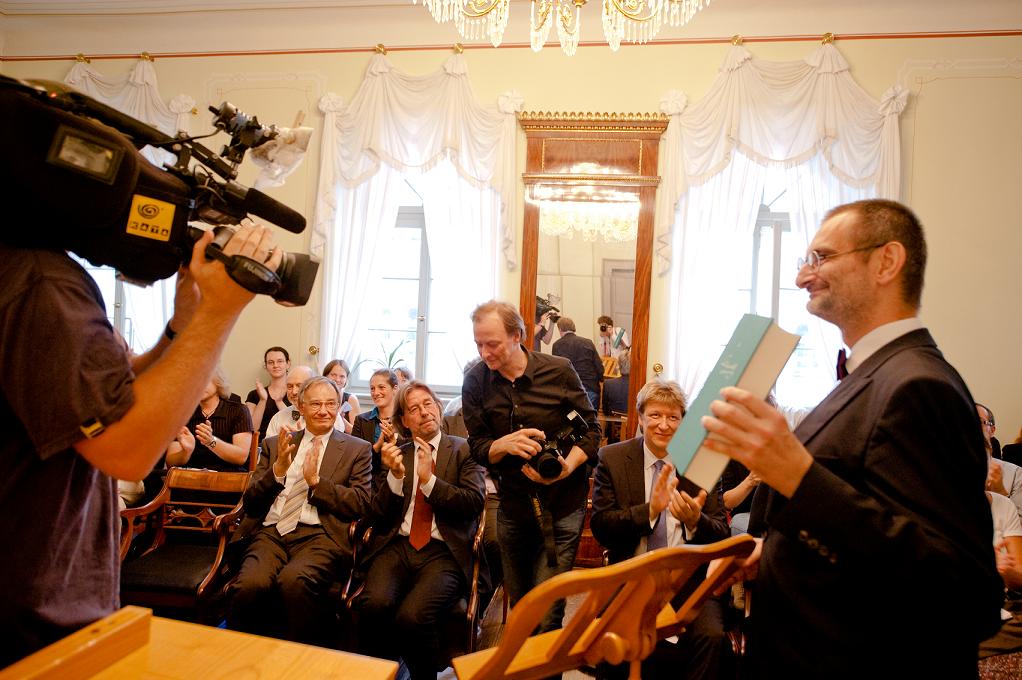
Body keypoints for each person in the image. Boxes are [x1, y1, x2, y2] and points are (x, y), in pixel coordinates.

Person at [701, 199, 1003, 675]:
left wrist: (797, 476)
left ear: (886, 261)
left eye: (821, 258)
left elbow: (961, 588)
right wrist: (777, 553)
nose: (803, 276)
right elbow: (865, 524)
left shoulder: (918, 385)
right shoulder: (871, 375)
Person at [0, 222, 282, 665]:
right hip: (29, 610)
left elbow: (116, 386)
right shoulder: (40, 282)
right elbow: (126, 451)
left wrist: (183, 326)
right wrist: (220, 314)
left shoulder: (39, 275)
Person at [462, 300, 601, 638]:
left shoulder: (560, 370)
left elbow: (592, 431)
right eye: (478, 343)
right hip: (514, 510)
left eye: (492, 343)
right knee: (522, 613)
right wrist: (503, 445)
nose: (484, 352)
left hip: (563, 507)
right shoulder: (475, 382)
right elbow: (479, 447)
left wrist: (568, 466)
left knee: (548, 615)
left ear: (518, 335)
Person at [591, 379, 730, 680]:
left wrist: (695, 521)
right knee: (610, 638)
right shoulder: (613, 459)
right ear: (640, 417)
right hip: (630, 577)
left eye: (673, 417)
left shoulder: (702, 463)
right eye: (655, 415)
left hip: (689, 582)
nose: (663, 425)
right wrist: (650, 512)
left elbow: (722, 535)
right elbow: (601, 527)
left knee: (713, 637)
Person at [226, 376, 372, 645]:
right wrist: (278, 471)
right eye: (316, 404)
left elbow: (361, 502)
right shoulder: (275, 444)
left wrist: (317, 484)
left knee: (294, 583)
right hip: (271, 533)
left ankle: (301, 660)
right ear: (301, 408)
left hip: (321, 536)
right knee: (248, 586)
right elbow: (252, 502)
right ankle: (241, 656)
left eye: (331, 403)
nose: (324, 410)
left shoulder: (357, 450)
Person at [358, 380, 485, 679]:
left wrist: (429, 482)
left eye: (428, 404)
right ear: (404, 421)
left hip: (444, 551)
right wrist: (392, 477)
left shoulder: (464, 450)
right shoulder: (397, 453)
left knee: (412, 617)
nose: (424, 412)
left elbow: (473, 502)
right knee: (373, 604)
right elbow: (375, 513)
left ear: (439, 407)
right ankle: (387, 672)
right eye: (414, 409)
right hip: (398, 547)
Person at [166, 365, 254, 472]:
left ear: (218, 382)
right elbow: (170, 462)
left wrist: (211, 442)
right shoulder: (183, 413)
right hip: (190, 479)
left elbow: (241, 457)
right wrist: (186, 451)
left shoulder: (238, 411)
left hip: (229, 479)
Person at [352, 368, 400, 481]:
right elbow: (355, 460)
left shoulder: (405, 420)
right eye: (372, 389)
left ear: (395, 388)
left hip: (398, 482)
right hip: (368, 483)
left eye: (381, 387)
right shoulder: (361, 421)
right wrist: (377, 446)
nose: (376, 393)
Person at [551, 316, 605, 410]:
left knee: (572, 422)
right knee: (591, 422)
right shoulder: (588, 343)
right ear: (573, 328)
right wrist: (601, 380)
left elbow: (556, 371)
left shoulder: (557, 345)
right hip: (590, 389)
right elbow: (599, 368)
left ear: (560, 329)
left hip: (569, 390)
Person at [245, 346, 291, 441]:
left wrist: (279, 402)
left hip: (290, 442)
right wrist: (263, 400)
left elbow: (296, 424)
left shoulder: (296, 393)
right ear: (265, 366)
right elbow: (252, 428)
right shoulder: (254, 395)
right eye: (270, 362)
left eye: (280, 361)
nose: (275, 365)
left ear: (288, 364)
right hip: (261, 445)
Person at [265, 365, 316, 438]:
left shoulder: (328, 416)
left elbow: (335, 446)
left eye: (299, 386)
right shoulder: (278, 418)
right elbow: (268, 448)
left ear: (313, 387)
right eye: (290, 386)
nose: (294, 392)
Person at [323, 359, 361, 431]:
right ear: (325, 376)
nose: (337, 379)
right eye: (333, 375)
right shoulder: (319, 397)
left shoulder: (351, 400)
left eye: (342, 376)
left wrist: (341, 419)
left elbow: (358, 434)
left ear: (346, 379)